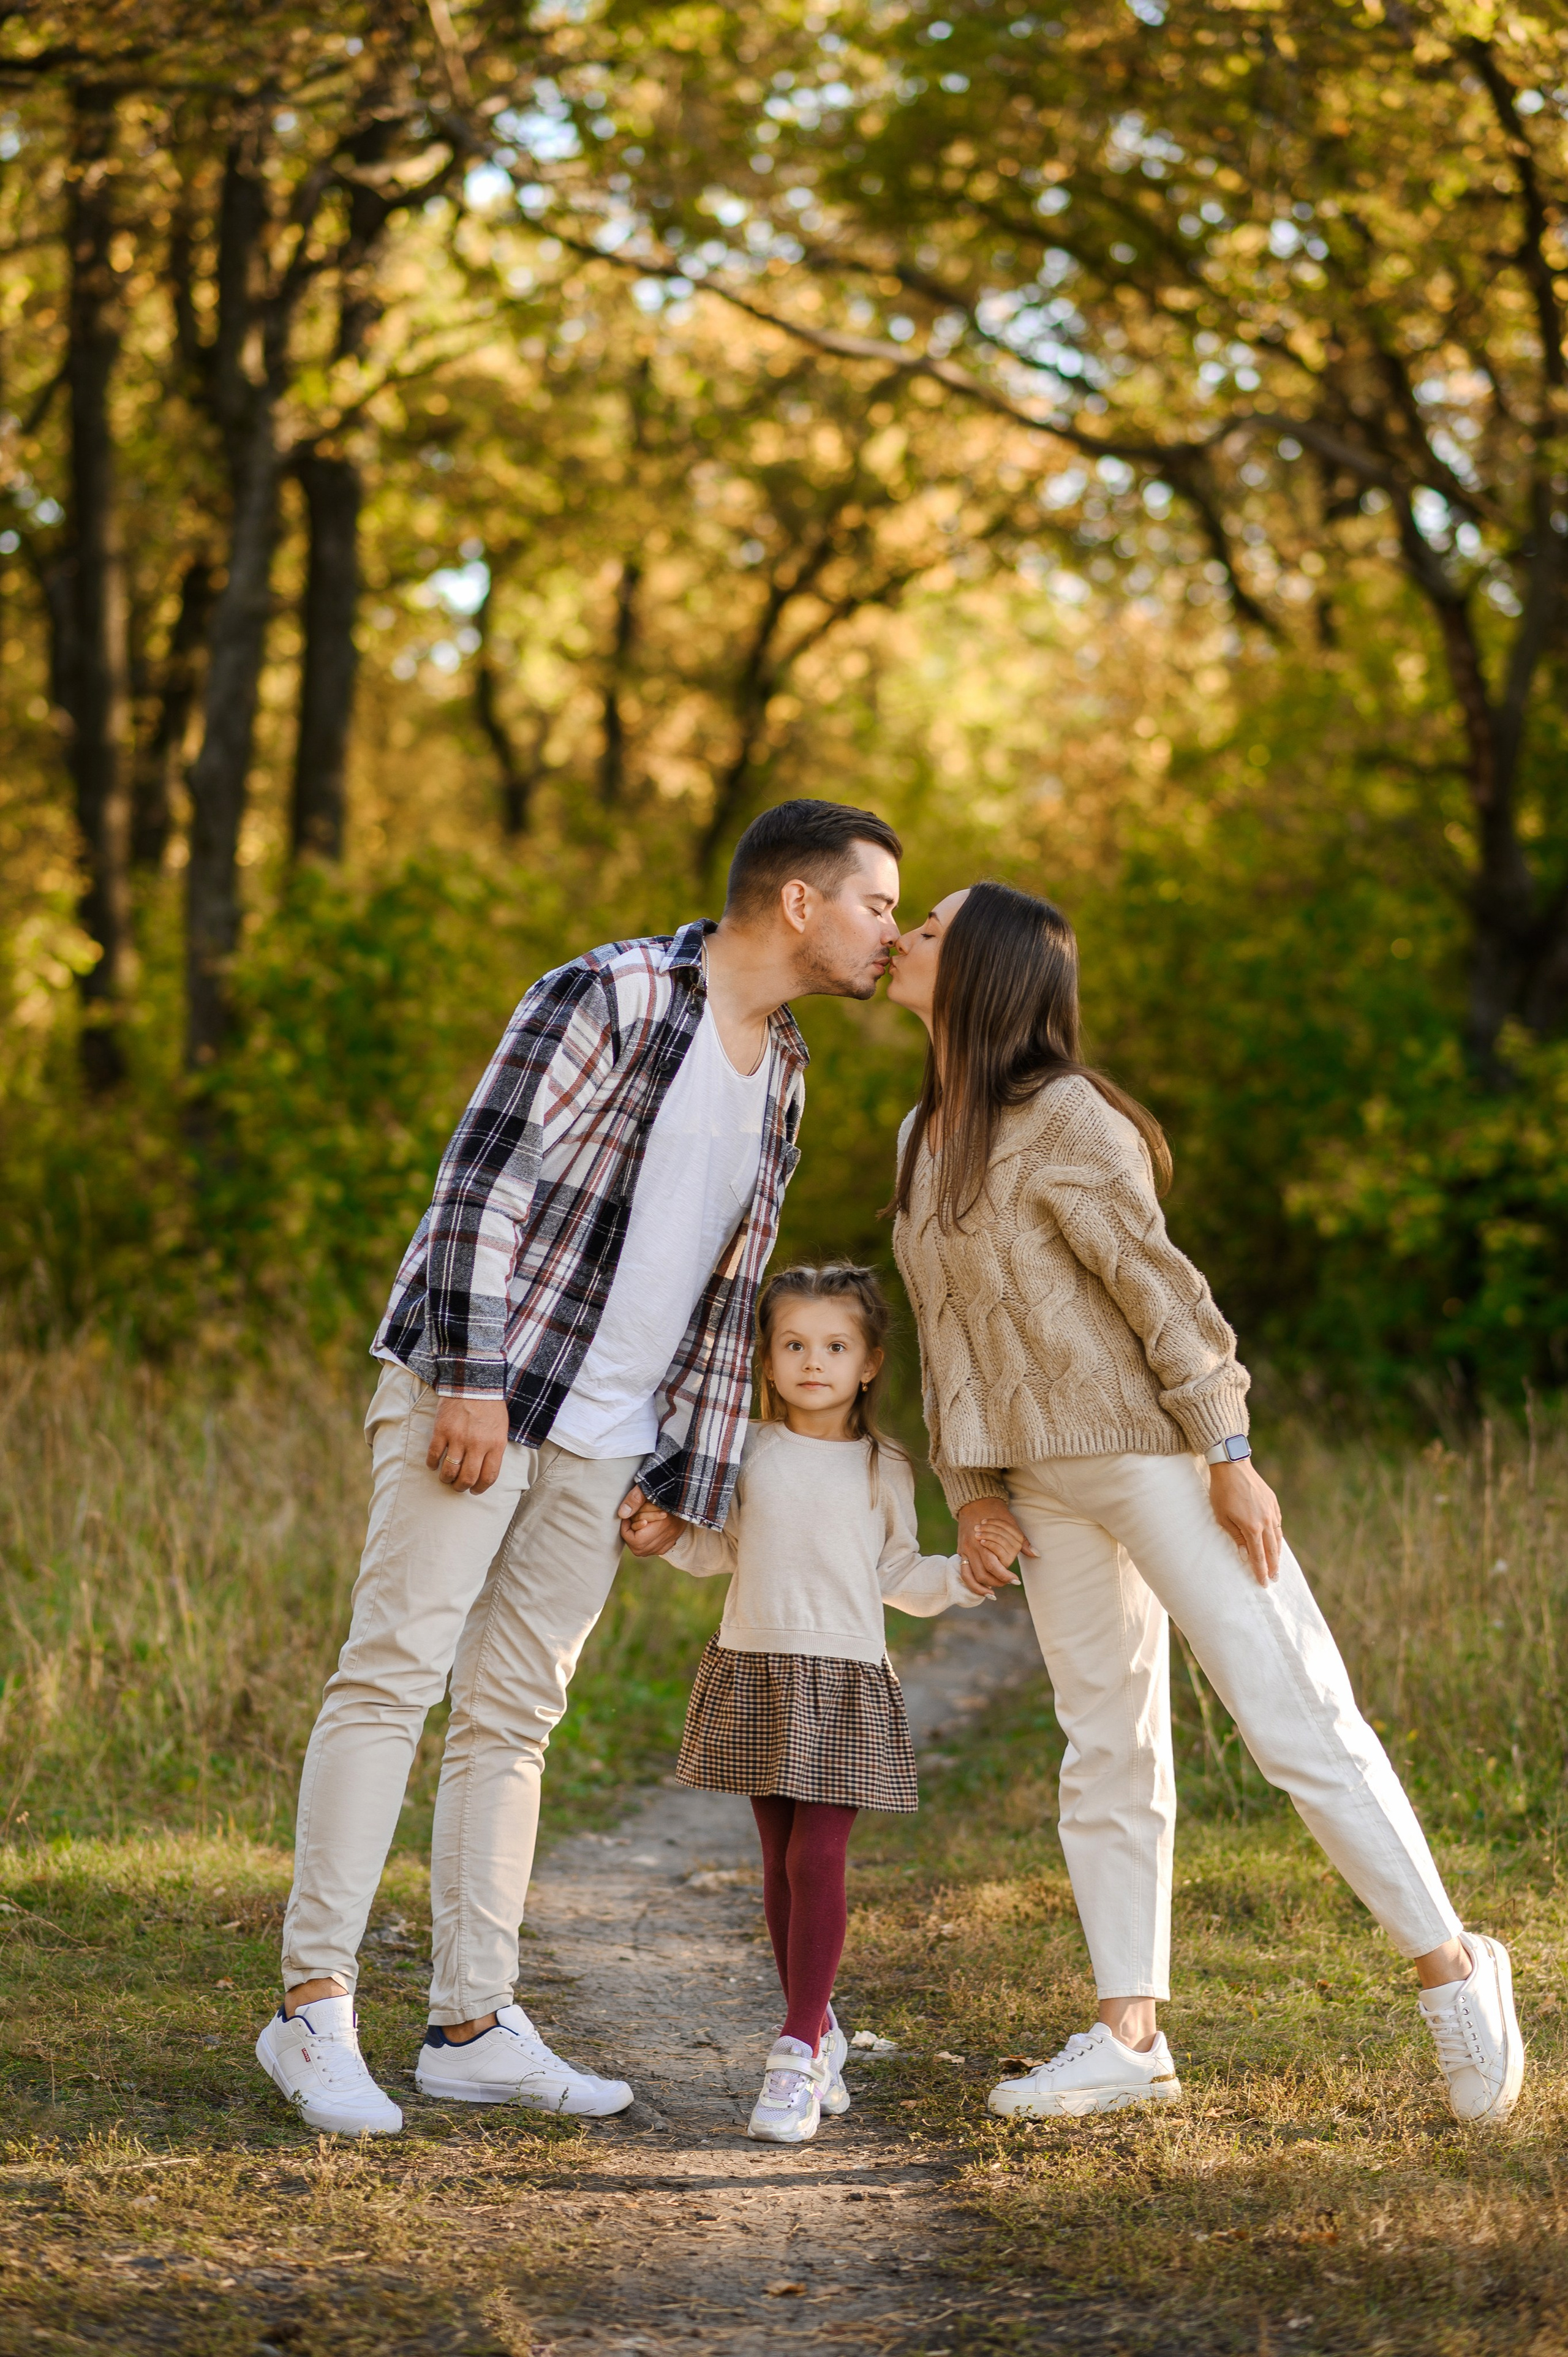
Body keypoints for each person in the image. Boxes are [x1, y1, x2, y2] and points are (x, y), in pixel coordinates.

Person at [255, 800, 903, 2137]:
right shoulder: (609, 992)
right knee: (392, 1673)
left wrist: (688, 1465)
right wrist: (475, 1379)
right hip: (486, 1394)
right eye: (878, 904)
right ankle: (309, 2008)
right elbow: (481, 1183)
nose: (888, 932)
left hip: (608, 1439)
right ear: (798, 902)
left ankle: (470, 2021)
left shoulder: (783, 1068)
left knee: (515, 1716)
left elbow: (725, 1303)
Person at [883, 880, 1525, 2128]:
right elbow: (938, 1334)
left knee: (1291, 1713)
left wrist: (1228, 1448)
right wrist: (967, 1490)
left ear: (988, 971)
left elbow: (1163, 1298)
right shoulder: (920, 1135)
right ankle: (1127, 2035)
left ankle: (1451, 1966)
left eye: (929, 928)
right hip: (1036, 1484)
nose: (903, 937)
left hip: (1155, 1458)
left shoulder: (1066, 1118)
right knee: (1106, 1742)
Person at [625, 1262, 984, 2144]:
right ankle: (820, 2026)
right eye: (793, 1345)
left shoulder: (884, 1466)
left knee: (820, 1860)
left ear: (868, 1364)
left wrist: (965, 1579)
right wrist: (668, 1536)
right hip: (757, 1669)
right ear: (767, 1358)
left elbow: (900, 1570)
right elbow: (720, 1551)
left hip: (845, 1678)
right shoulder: (745, 1450)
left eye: (834, 1346)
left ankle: (793, 2052)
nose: (812, 1362)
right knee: (780, 1861)